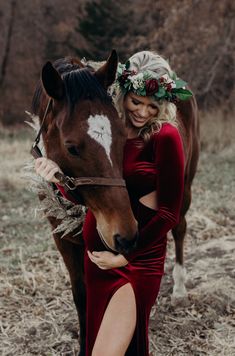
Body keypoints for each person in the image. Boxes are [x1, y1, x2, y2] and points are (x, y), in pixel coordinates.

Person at [35, 51, 191, 356]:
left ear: (163, 106)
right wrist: (58, 181)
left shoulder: (166, 137)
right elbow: (94, 187)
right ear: (125, 95)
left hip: (133, 258)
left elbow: (171, 212)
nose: (143, 113)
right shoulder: (109, 129)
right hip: (101, 259)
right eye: (136, 102)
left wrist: (126, 259)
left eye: (153, 106)